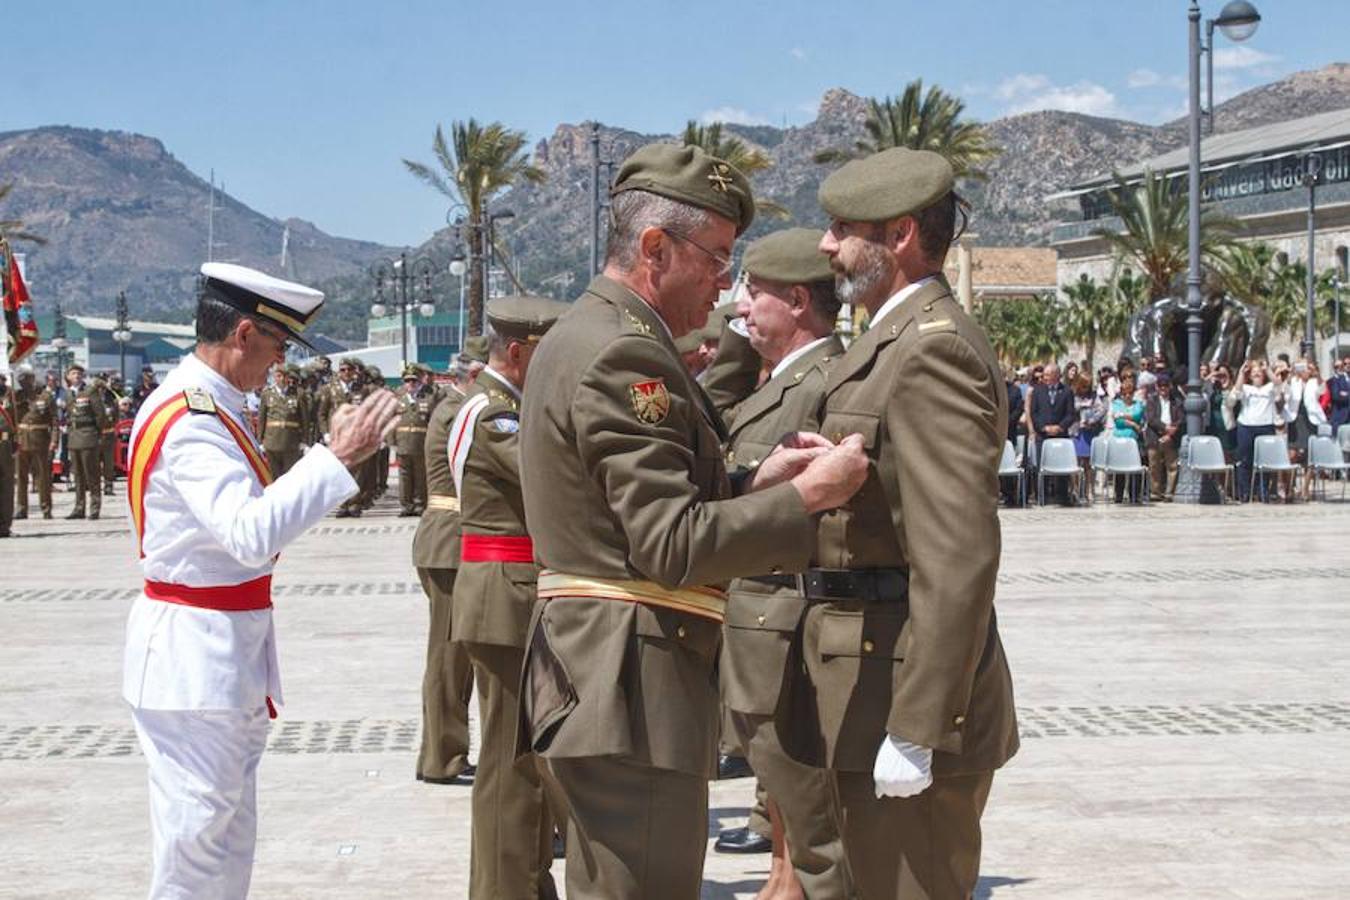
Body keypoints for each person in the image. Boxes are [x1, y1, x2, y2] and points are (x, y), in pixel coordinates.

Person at [516, 143, 867, 900]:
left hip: (603, 673)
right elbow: (670, 545)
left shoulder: (592, 334)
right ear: (653, 248)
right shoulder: (624, 357)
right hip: (627, 685)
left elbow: (627, 509)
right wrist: (806, 499)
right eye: (715, 256)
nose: (723, 281)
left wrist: (752, 482)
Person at [121, 262, 399, 898]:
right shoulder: (191, 420)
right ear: (243, 333)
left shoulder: (215, 407)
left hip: (220, 654)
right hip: (194, 660)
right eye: (276, 347)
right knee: (195, 850)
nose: (279, 365)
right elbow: (246, 534)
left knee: (224, 840)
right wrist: (334, 458)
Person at [804, 146, 1019, 899]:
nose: (826, 245)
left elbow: (957, 555)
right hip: (868, 673)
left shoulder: (933, 351)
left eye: (841, 228)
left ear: (898, 235)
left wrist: (917, 726)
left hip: (905, 693)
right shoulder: (888, 342)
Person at [705, 228, 853, 899]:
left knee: (806, 784)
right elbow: (714, 416)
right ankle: (784, 877)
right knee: (785, 776)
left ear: (797, 300)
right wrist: (742, 335)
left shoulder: (824, 378)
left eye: (753, 293)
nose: (740, 306)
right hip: (760, 611)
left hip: (789, 612)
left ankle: (796, 881)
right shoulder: (782, 376)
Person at [450, 295, 570, 900]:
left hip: (515, 594)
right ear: (519, 354)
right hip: (504, 597)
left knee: (525, 759)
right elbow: (551, 477)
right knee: (508, 763)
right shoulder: (494, 414)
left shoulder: (508, 407)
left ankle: (522, 881)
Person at [411, 364, 475, 786]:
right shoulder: (460, 411)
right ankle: (441, 757)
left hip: (448, 539)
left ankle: (442, 752)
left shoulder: (458, 405)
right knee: (449, 657)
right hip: (451, 541)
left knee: (454, 656)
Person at [394, 364, 440, 516]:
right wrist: (390, 441)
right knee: (404, 476)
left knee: (421, 475)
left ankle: (420, 504)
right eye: (407, 381)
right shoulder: (398, 398)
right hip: (402, 442)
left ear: (420, 381)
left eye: (414, 381)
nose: (411, 384)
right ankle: (406, 505)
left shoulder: (429, 397)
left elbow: (434, 421)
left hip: (421, 443)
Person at [65, 363, 108, 519]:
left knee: (92, 474)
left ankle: (95, 507)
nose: (76, 376)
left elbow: (100, 414)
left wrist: (97, 433)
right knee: (78, 475)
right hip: (74, 436)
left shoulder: (90, 391)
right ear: (68, 377)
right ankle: (79, 507)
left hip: (88, 435)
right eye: (73, 373)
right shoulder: (68, 393)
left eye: (79, 373)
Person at [13, 365, 56, 520]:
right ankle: (21, 508)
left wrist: (54, 441)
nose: (23, 381)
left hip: (40, 439)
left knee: (43, 476)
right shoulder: (16, 396)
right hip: (22, 439)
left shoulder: (45, 396)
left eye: (26, 378)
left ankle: (46, 508)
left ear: (33, 378)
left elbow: (55, 421)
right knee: (22, 477)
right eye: (21, 379)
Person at [1030, 362, 1076, 503]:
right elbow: (1034, 413)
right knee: (1041, 466)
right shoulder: (1038, 391)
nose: (1045, 377)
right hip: (1043, 436)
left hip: (1060, 435)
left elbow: (1070, 414)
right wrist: (1044, 428)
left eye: (1048, 375)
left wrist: (1060, 427)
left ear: (1056, 375)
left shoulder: (1067, 391)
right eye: (1044, 375)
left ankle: (1062, 496)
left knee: (1062, 467)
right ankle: (1041, 496)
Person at [258, 364, 311, 479]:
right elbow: (262, 419)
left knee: (291, 477)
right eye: (278, 376)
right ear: (274, 377)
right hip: (271, 442)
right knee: (274, 477)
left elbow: (305, 420)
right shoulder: (267, 394)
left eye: (284, 376)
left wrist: (305, 441)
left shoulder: (298, 394)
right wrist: (260, 441)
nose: (281, 379)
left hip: (291, 442)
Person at [1145, 370, 1185, 501]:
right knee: (1154, 466)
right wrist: (1164, 428)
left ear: (1170, 386)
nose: (1163, 388)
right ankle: (1155, 492)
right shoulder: (1152, 400)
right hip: (1155, 436)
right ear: (1157, 386)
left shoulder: (1177, 401)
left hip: (1171, 437)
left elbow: (1180, 419)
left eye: (1166, 385)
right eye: (1160, 385)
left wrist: (1171, 432)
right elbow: (1151, 418)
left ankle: (1169, 492)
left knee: (1172, 466)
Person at [1071, 374, 1105, 501]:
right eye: (1084, 385)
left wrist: (1092, 420)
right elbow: (1069, 410)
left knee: (1088, 463)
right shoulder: (1073, 395)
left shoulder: (1094, 396)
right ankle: (1075, 489)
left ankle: (1089, 490)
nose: (1086, 388)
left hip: (1089, 431)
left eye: (1088, 386)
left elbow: (1101, 410)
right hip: (1076, 431)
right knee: (1075, 462)